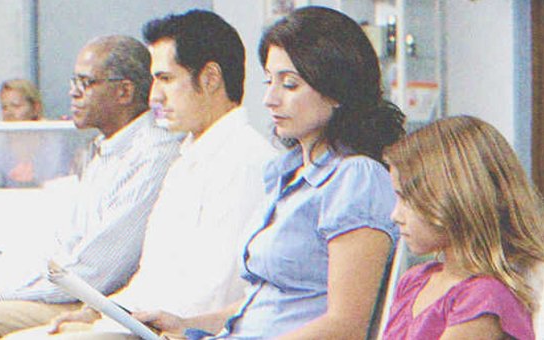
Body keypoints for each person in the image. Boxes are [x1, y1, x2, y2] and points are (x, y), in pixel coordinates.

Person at [132, 6, 405, 339]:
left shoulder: (356, 178)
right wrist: (186, 324)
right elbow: (260, 308)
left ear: (336, 91)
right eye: (269, 81)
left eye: (289, 85)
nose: (270, 99)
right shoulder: (287, 174)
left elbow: (344, 326)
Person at [2, 9, 276, 340]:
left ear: (210, 78)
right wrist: (95, 316)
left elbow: (207, 295)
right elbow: (151, 279)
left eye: (166, 79)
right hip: (144, 323)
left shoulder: (246, 162)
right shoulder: (187, 157)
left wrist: (108, 325)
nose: (154, 96)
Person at [0, 35, 182, 340]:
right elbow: (58, 247)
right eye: (73, 81)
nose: (72, 93)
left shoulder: (151, 154)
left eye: (84, 83)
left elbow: (94, 273)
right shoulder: (103, 150)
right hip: (74, 290)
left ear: (124, 91)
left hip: (103, 303)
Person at [382, 116, 544, 340]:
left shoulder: (484, 296)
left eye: (406, 199)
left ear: (456, 199)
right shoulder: (414, 280)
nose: (395, 215)